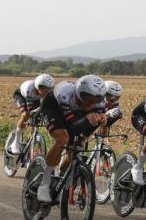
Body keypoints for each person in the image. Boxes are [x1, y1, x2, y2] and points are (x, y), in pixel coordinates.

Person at [37, 75, 113, 203]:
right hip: (53, 106)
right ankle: (44, 184)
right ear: (79, 93)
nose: (91, 104)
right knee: (62, 139)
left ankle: (61, 180)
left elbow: (86, 126)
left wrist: (102, 119)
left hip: (75, 112)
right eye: (88, 99)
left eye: (96, 100)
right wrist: (86, 118)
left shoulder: (100, 103)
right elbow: (71, 124)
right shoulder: (65, 94)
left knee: (75, 149)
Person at [9, 73, 55, 154]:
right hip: (22, 96)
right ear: (37, 87)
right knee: (26, 114)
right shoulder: (30, 89)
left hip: (36, 98)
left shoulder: (47, 93)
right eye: (43, 88)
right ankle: (15, 143)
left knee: (35, 122)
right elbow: (31, 111)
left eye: (49, 89)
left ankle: (30, 143)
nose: (47, 91)